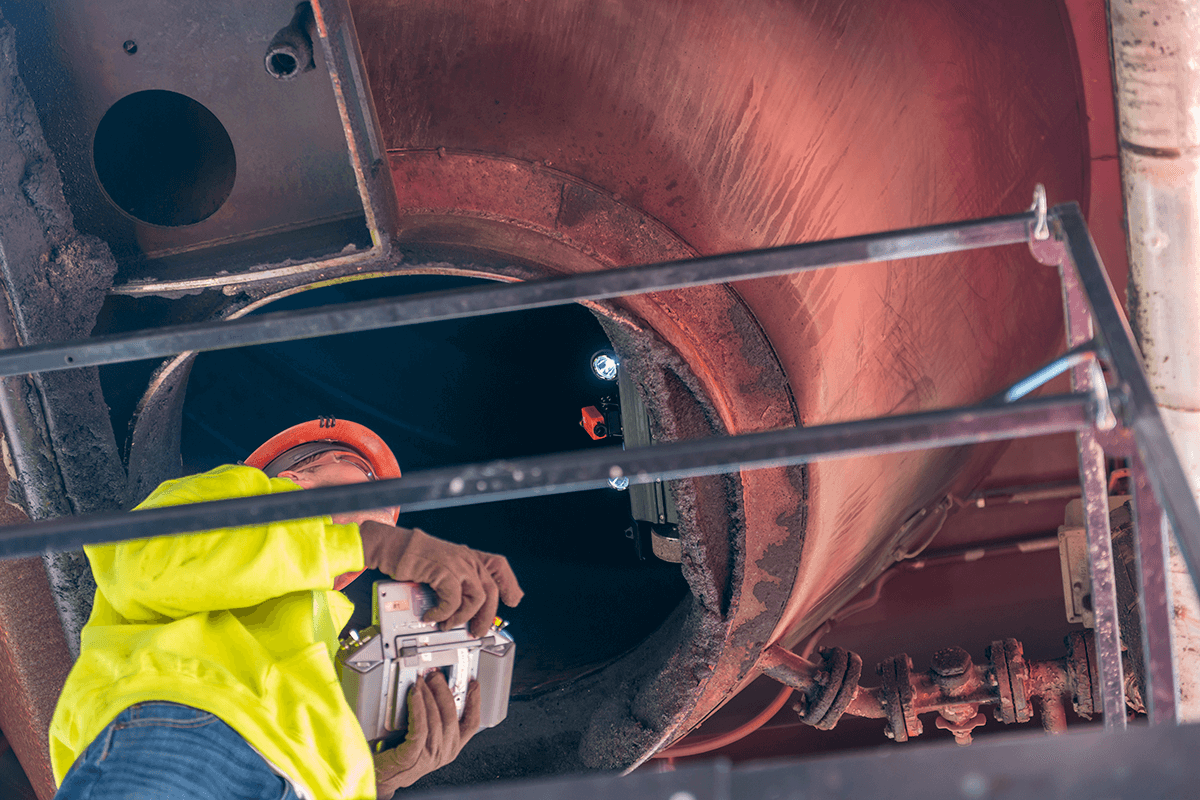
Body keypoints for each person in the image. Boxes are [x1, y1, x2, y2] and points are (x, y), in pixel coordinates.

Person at [48, 418, 523, 800]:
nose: (385, 509)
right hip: (193, 734)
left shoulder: (321, 640)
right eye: (365, 477)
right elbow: (151, 564)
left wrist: (375, 780)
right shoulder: (236, 491)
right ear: (295, 476)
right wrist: (366, 542)